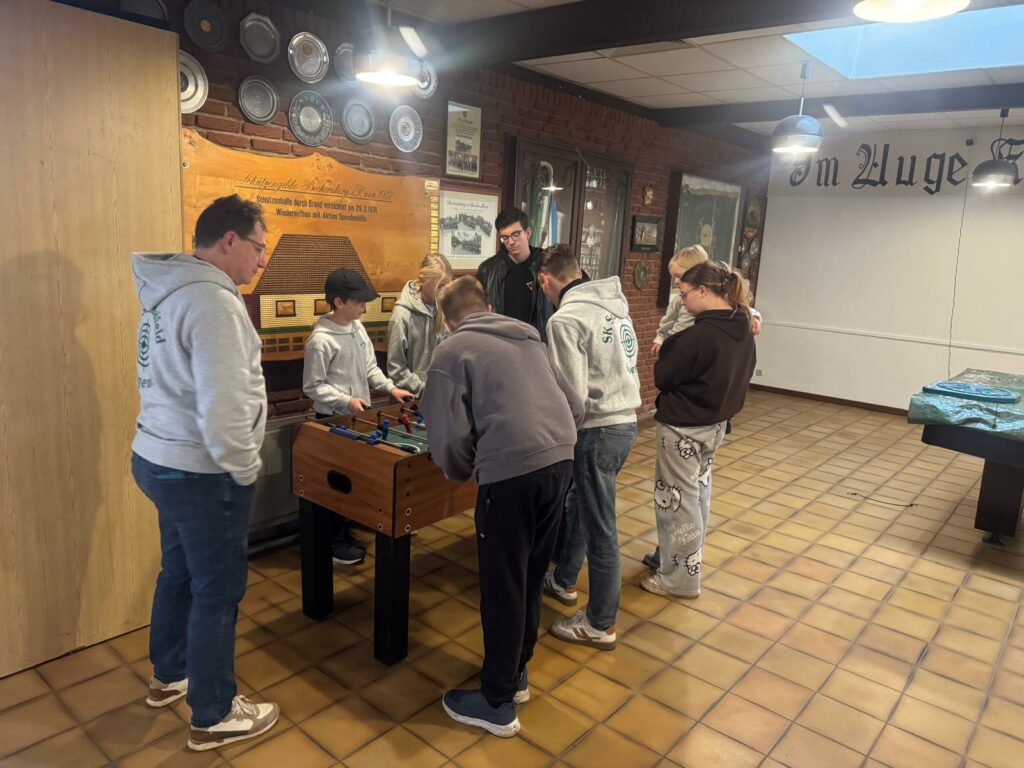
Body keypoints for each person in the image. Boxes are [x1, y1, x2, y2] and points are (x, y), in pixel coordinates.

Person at [130, 194, 279, 752]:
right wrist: (244, 469)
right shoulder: (214, 302)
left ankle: (169, 674)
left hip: (158, 457)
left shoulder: (165, 292)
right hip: (200, 469)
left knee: (178, 573)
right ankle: (213, 713)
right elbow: (224, 405)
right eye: (258, 247)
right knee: (218, 589)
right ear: (230, 240)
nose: (261, 260)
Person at [421, 276, 583, 738]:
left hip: (511, 474)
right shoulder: (529, 336)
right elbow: (574, 403)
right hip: (560, 459)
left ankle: (496, 701)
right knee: (529, 575)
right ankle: (516, 673)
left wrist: (462, 471)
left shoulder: (451, 351)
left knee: (502, 586)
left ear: (447, 321)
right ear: (488, 307)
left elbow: (447, 437)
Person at [537, 244, 640, 649]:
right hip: (626, 422)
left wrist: (560, 435)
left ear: (546, 280)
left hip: (596, 429)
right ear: (579, 273)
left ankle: (600, 623)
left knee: (601, 527)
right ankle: (564, 579)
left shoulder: (565, 319)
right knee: (580, 504)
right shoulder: (615, 307)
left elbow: (572, 394)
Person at [642, 260, 756, 597]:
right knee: (697, 495)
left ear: (703, 291)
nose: (682, 300)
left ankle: (679, 580)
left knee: (678, 504)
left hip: (684, 428)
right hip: (715, 424)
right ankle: (676, 562)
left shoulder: (697, 337)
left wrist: (670, 345)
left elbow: (663, 377)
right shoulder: (743, 325)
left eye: (684, 293)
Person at [303, 268, 415, 564]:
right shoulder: (320, 340)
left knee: (353, 479)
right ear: (338, 302)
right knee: (334, 484)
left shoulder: (357, 328)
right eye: (359, 302)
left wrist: (391, 388)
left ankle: (343, 531)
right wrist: (345, 400)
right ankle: (332, 542)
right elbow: (312, 386)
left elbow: (370, 369)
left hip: (357, 418)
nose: (364, 308)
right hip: (330, 420)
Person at [650, 245, 762, 358]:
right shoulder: (678, 300)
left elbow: (738, 307)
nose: (676, 281)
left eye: (679, 276)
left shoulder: (719, 298)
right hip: (678, 346)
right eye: (674, 277)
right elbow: (668, 321)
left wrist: (753, 317)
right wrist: (660, 338)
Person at [476, 207, 555, 342]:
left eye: (516, 234)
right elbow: (478, 311)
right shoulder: (488, 269)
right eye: (505, 237)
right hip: (499, 343)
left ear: (528, 233)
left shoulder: (547, 265)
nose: (511, 242)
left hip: (536, 344)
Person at [386, 253, 453, 397]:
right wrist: (424, 389)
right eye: (440, 286)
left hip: (440, 394)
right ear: (422, 281)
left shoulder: (443, 309)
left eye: (447, 286)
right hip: (411, 398)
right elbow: (396, 369)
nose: (444, 292)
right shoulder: (402, 315)